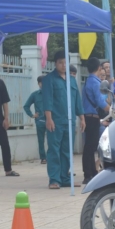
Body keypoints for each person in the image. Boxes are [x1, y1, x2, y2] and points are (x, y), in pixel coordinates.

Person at [43, 50, 86, 189]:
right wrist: (48, 119)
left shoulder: (72, 80)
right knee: (54, 150)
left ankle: (65, 177)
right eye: (60, 62)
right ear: (55, 63)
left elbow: (77, 100)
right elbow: (47, 100)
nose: (63, 65)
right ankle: (54, 179)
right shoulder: (49, 79)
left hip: (70, 120)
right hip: (55, 120)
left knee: (67, 150)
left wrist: (82, 118)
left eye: (65, 62)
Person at [82, 57, 110, 184]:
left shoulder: (89, 81)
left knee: (90, 146)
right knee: (90, 147)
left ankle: (91, 172)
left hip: (88, 116)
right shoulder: (95, 82)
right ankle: (88, 174)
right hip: (92, 117)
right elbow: (99, 101)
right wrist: (112, 110)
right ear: (99, 68)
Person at [23, 75, 47, 164]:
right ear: (38, 84)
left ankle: (51, 157)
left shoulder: (52, 94)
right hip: (40, 121)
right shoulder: (35, 95)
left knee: (52, 141)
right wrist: (32, 115)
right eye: (41, 83)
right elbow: (26, 106)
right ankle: (43, 158)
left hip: (51, 121)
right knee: (41, 141)